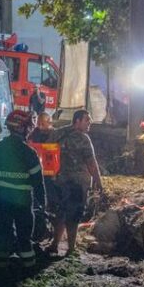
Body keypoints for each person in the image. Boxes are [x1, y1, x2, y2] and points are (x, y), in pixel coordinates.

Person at [0, 110, 46, 268]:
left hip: (0, 202)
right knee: (25, 239)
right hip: (23, 204)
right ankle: (28, 273)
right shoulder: (30, 153)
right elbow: (38, 182)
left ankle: (0, 271)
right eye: (28, 127)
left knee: (3, 237)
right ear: (21, 128)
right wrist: (43, 203)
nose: (30, 130)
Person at [49, 109, 102, 255]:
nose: (89, 123)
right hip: (77, 184)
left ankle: (54, 244)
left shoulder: (57, 133)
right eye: (87, 120)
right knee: (74, 215)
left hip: (57, 181)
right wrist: (98, 181)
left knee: (59, 213)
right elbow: (91, 163)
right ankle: (71, 248)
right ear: (77, 121)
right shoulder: (83, 139)